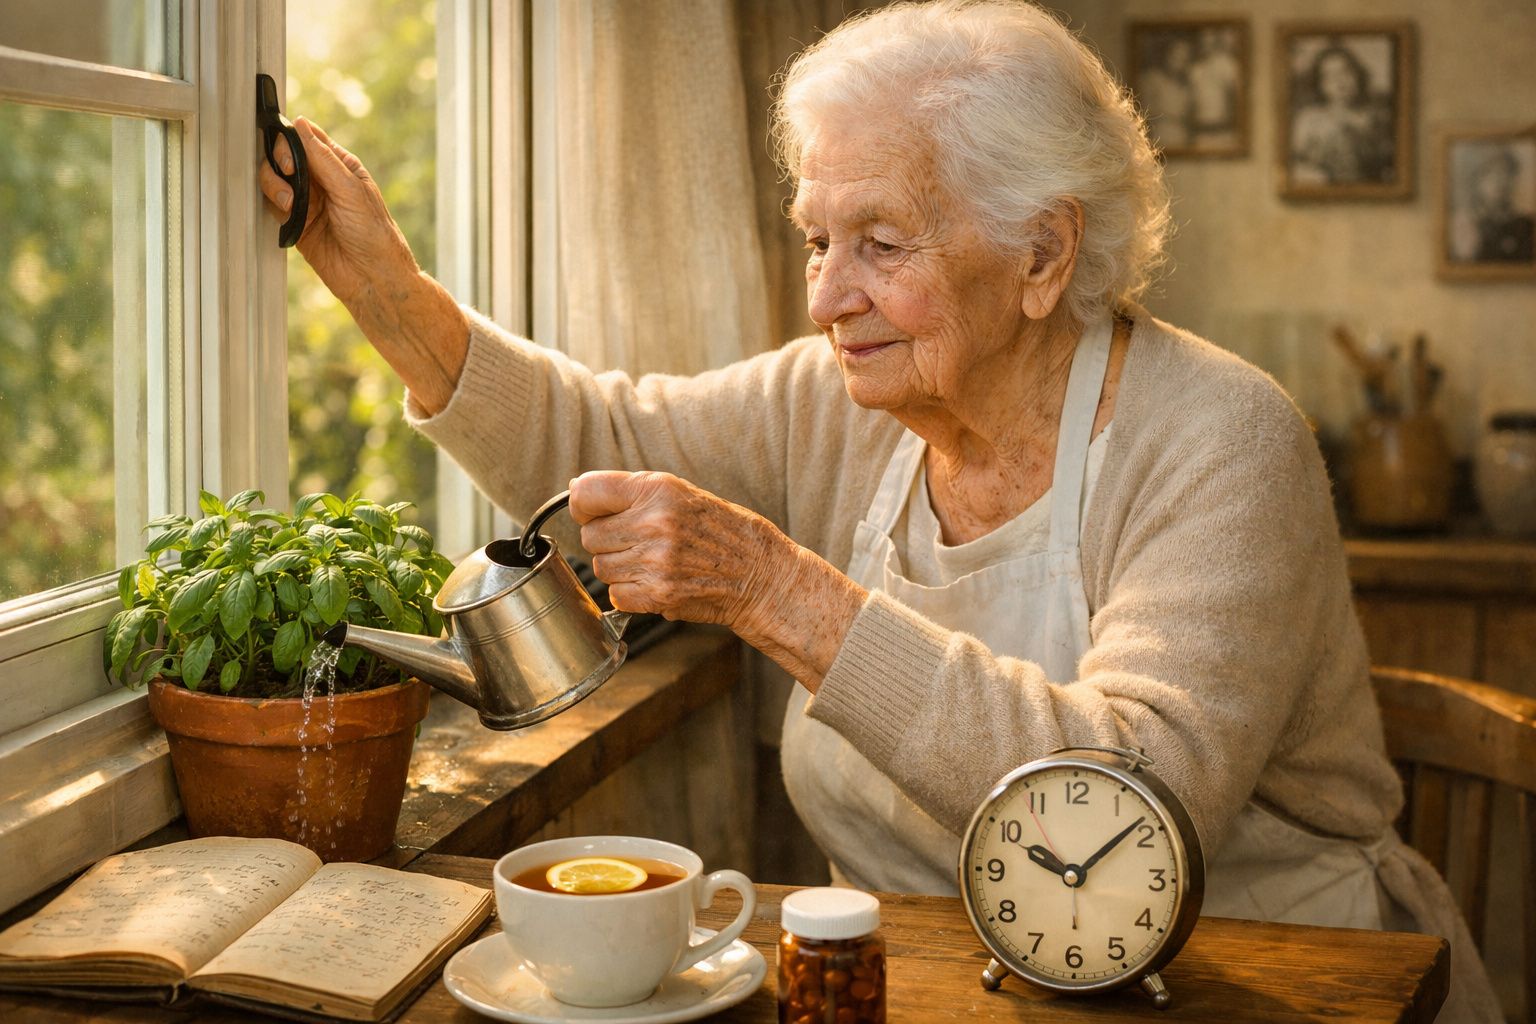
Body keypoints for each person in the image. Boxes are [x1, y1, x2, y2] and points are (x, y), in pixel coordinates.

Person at [261, 2, 1497, 1018]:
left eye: (882, 245)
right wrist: (379, 278)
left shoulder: (1224, 440)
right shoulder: (839, 398)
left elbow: (1126, 801)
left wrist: (773, 587)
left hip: (1272, 983)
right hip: (933, 987)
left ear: (1042, 257)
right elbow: (605, 448)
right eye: (816, 240)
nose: (826, 299)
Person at [1289, 42, 1394, 185]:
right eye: (1329, 76)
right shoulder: (1310, 119)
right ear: (1320, 84)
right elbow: (1290, 164)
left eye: (1345, 72)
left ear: (1357, 74)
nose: (1339, 81)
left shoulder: (1379, 117)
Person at [1450, 147, 1535, 264]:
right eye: (1490, 173)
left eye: (1506, 173)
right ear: (1476, 181)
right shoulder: (1466, 223)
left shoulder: (1525, 224)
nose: (1500, 181)